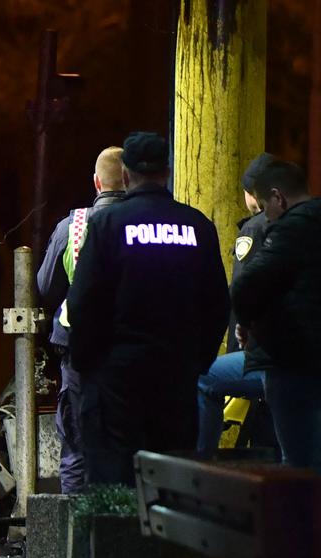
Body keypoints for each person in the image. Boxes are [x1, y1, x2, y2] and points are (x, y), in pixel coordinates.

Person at [66, 131, 229, 486]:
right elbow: (218, 303)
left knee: (115, 483)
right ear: (168, 171)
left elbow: (83, 302)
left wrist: (89, 364)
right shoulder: (197, 226)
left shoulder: (108, 224)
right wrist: (195, 362)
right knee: (170, 481)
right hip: (176, 376)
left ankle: (123, 543)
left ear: (125, 175)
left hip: (116, 379)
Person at [36, 146, 126, 494]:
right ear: (130, 180)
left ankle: (74, 538)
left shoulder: (72, 226)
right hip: (132, 349)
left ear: (96, 182)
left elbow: (45, 287)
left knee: (76, 444)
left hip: (80, 352)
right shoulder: (145, 223)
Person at [230, 158, 321, 471]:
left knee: (296, 462)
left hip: (292, 357)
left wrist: (247, 324)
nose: (265, 217)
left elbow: (246, 287)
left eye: (264, 207)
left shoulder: (289, 228)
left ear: (277, 197)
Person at [195, 153, 274, 455]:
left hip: (270, 356)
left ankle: (201, 466)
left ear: (251, 192)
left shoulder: (254, 229)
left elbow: (242, 297)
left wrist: (238, 352)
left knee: (206, 379)